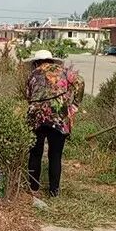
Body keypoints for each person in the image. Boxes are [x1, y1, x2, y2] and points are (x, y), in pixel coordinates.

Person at [25, 49, 84, 197]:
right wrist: (74, 105)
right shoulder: (64, 72)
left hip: (36, 117)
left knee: (35, 153)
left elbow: (28, 96)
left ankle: (33, 188)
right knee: (55, 155)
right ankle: (54, 191)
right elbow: (80, 82)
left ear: (36, 62)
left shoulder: (32, 75)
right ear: (51, 61)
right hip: (58, 117)